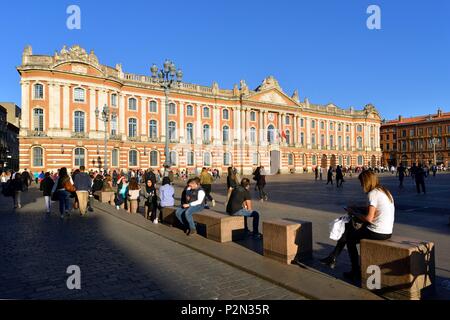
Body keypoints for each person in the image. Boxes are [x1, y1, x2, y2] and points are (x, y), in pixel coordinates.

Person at [320, 170, 394, 282]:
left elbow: (369, 218)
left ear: (366, 182)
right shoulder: (384, 191)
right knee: (348, 228)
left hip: (377, 231)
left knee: (349, 240)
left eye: (361, 183)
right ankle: (333, 257)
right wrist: (357, 208)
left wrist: (353, 212)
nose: (361, 185)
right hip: (387, 231)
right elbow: (375, 211)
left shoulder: (372, 194)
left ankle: (354, 270)